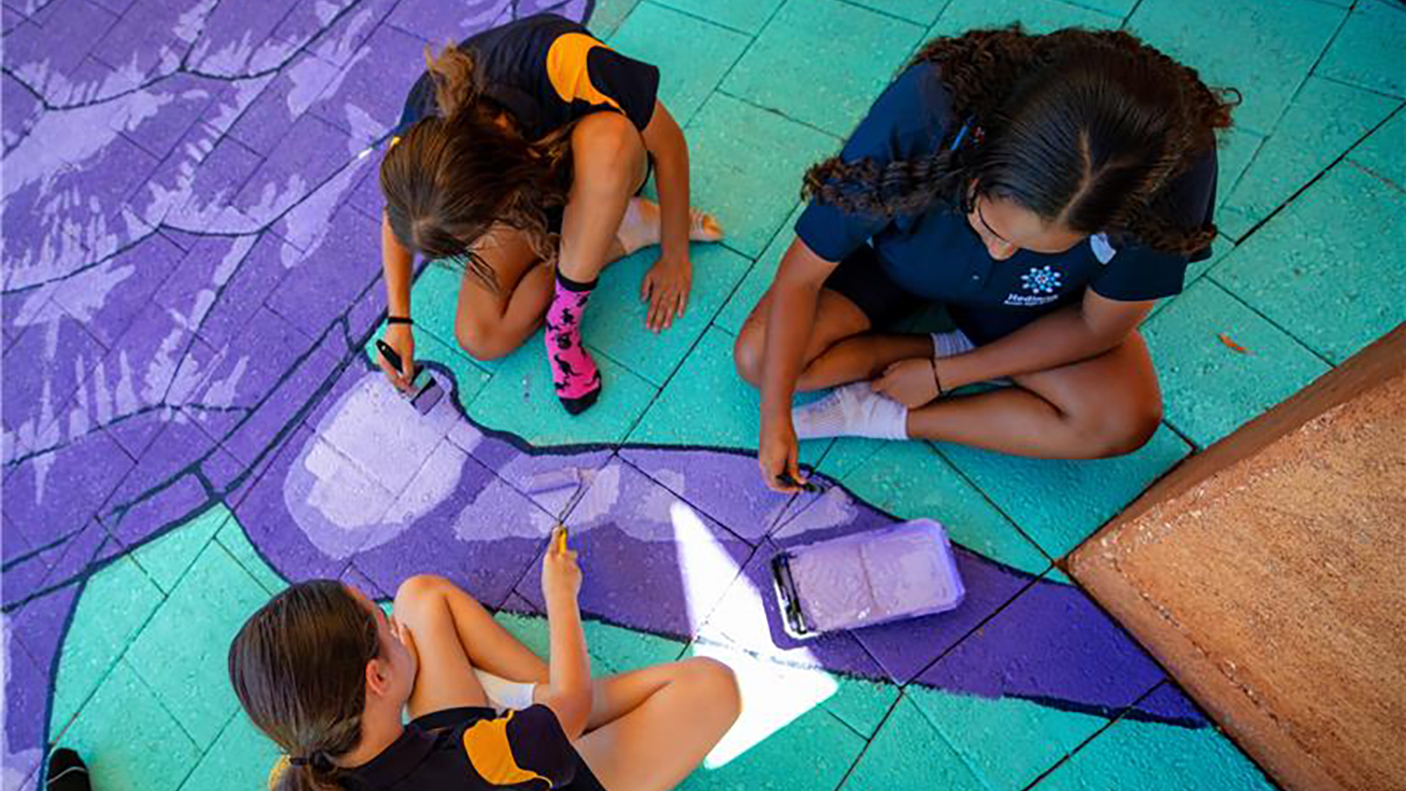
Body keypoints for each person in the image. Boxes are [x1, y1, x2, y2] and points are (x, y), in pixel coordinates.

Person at [733, 27, 1235, 493]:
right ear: (978, 161)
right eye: (989, 225)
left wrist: (945, 376)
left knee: (1122, 419)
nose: (998, 251)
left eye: (1034, 244)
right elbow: (801, 277)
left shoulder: (1171, 172)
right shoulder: (931, 105)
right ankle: (946, 343)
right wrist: (772, 418)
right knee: (761, 360)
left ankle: (890, 415)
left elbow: (1097, 326)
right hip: (896, 266)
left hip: (1030, 306)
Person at [377, 13, 722, 415]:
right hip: (526, 193)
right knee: (480, 335)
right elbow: (400, 218)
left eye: (478, 231)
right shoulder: (419, 134)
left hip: (606, 173)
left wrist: (675, 255)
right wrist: (399, 321)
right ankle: (625, 232)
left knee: (607, 140)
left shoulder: (561, 57)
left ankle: (565, 321)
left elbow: (669, 146)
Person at [229, 528, 740, 791]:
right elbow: (575, 706)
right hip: (512, 767)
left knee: (421, 597)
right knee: (713, 685)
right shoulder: (482, 756)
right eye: (382, 626)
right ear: (377, 676)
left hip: (464, 752)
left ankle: (537, 707)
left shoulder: (302, 766)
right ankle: (539, 710)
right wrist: (561, 595)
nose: (392, 621)